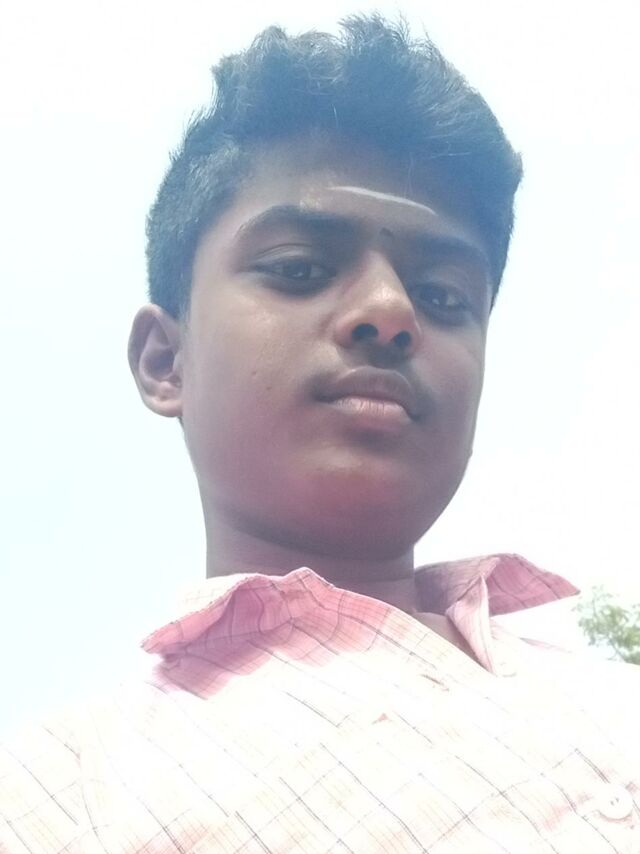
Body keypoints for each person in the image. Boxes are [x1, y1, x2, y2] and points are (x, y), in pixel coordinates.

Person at [1, 15, 638, 853]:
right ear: (165, 361)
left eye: (444, 296)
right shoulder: (59, 797)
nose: (391, 311)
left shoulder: (607, 689)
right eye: (300, 268)